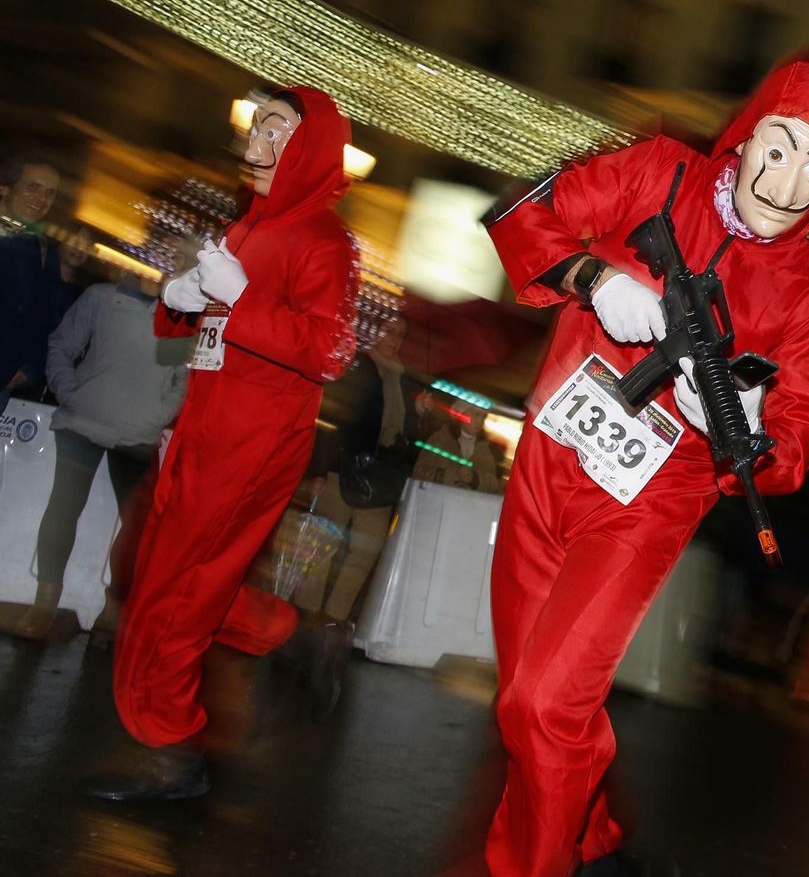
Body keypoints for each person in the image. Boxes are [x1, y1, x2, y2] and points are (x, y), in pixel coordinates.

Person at [483, 58, 809, 876]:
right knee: (527, 702)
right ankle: (593, 835)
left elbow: (801, 437)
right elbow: (521, 214)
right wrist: (590, 276)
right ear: (747, 135)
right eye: (782, 148)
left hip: (648, 503)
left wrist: (750, 431)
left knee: (546, 701)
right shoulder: (657, 173)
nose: (792, 185)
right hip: (551, 455)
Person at [84, 86, 361, 802]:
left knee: (181, 592)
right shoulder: (247, 230)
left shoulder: (326, 241)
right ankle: (292, 633)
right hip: (202, 428)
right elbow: (218, 329)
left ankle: (170, 748)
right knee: (155, 575)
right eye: (254, 130)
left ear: (311, 149)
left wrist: (241, 298)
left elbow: (327, 350)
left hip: (252, 442)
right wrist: (179, 305)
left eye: (277, 133)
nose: (256, 147)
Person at [12, 270, 190, 641]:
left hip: (137, 435)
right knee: (64, 508)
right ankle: (45, 604)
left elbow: (180, 381)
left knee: (136, 528)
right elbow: (61, 345)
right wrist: (70, 392)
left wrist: (157, 417)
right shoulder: (101, 297)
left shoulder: (176, 317)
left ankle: (114, 609)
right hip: (83, 422)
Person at [295, 316, 426, 622]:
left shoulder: (402, 380)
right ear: (375, 332)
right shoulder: (356, 365)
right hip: (341, 468)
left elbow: (402, 437)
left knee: (365, 551)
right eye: (389, 331)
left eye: (400, 334)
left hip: (378, 477)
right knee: (323, 543)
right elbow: (334, 421)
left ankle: (334, 617)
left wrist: (418, 416)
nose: (394, 339)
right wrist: (318, 472)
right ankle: (304, 611)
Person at [0, 151, 85, 412]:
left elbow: (44, 319)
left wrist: (30, 367)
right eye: (33, 187)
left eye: (50, 193)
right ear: (4, 188)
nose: (42, 199)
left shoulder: (41, 251)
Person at [412, 399, 502, 494]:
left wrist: (474, 478)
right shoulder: (441, 439)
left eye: (484, 417)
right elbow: (419, 471)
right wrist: (453, 475)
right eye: (476, 414)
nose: (480, 421)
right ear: (460, 414)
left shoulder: (483, 450)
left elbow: (493, 485)